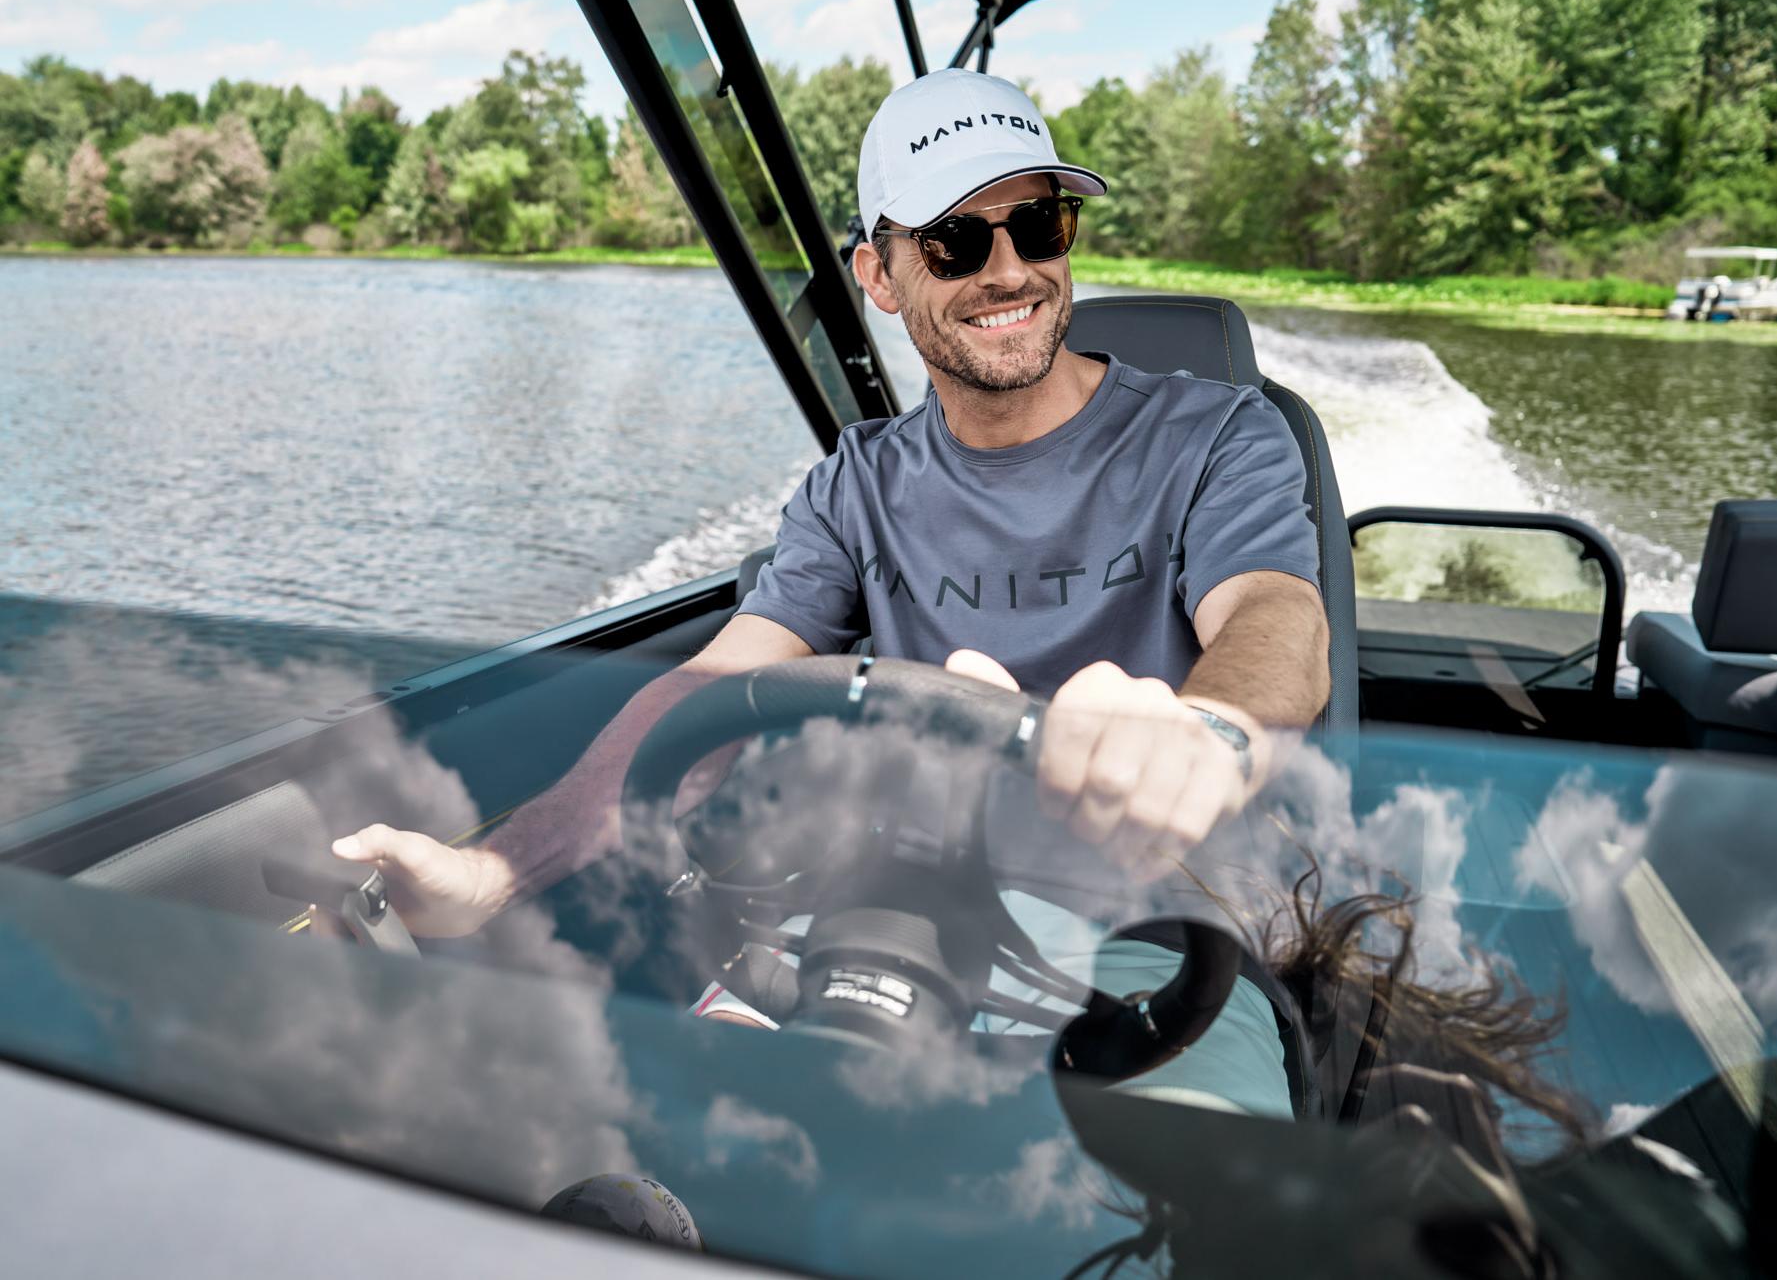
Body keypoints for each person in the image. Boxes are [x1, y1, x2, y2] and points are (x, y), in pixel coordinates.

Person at [329, 72, 1330, 1111]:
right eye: (955, 240)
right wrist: (490, 875)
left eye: (1037, 224)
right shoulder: (857, 481)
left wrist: (1206, 732)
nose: (1010, 270)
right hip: (881, 917)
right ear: (881, 276)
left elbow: (1275, 619)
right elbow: (714, 685)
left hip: (1152, 941)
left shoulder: (1214, 432)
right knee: (643, 1154)